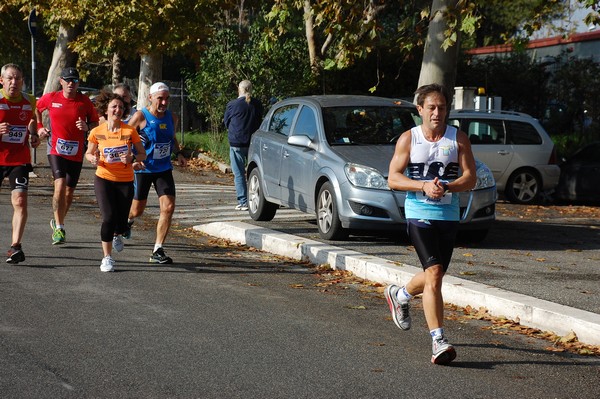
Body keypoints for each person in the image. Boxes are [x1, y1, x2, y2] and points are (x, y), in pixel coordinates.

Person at [384, 83, 477, 365]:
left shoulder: (458, 138)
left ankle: (400, 294)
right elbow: (393, 178)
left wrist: (447, 186)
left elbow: (470, 177)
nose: (437, 113)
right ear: (420, 110)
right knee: (435, 273)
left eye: (443, 108)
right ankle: (438, 340)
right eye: (432, 108)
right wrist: (422, 186)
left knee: (433, 275)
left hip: (448, 215)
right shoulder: (408, 139)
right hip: (418, 212)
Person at [36, 66, 99, 245]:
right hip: (55, 148)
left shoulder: (84, 102)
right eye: (68, 80)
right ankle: (60, 228)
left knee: (70, 192)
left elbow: (95, 123)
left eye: (75, 80)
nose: (71, 83)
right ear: (61, 81)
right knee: (60, 184)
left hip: (76, 151)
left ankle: (57, 221)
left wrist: (88, 128)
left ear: (78, 83)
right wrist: (40, 127)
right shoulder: (52, 98)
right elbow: (36, 109)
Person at [125, 82, 186, 264]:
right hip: (143, 169)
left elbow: (172, 137)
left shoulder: (172, 117)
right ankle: (126, 221)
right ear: (150, 98)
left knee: (168, 208)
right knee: (137, 210)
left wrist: (179, 153)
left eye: (167, 99)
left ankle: (158, 249)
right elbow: (125, 138)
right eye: (160, 98)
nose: (164, 102)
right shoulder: (140, 116)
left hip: (164, 169)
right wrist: (132, 158)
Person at [85, 91, 146, 272]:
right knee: (108, 217)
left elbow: (142, 153)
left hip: (125, 180)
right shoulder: (97, 132)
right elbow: (88, 152)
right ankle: (107, 258)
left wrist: (132, 158)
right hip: (103, 177)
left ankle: (119, 232)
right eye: (114, 106)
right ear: (106, 109)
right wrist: (92, 159)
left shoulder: (129, 131)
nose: (117, 110)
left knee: (120, 220)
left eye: (120, 107)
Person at [0, 63, 41, 264]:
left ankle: (15, 247)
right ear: (2, 81)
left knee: (20, 201)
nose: (13, 82)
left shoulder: (29, 100)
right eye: (9, 78)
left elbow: (32, 120)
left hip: (19, 158)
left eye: (17, 78)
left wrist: (33, 134)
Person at [223, 80, 263, 211]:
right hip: (253, 142)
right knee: (255, 172)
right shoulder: (257, 104)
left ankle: (243, 201)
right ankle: (257, 199)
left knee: (239, 173)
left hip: (237, 142)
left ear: (239, 89)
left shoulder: (232, 105)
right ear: (251, 89)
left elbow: (226, 122)